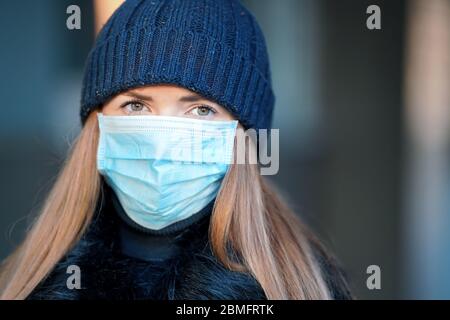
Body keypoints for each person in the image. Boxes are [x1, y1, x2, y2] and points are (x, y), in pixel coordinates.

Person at [0, 0, 352, 300]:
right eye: (136, 105)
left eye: (201, 110)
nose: (161, 142)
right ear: (98, 121)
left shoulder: (302, 286)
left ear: (243, 137)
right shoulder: (25, 283)